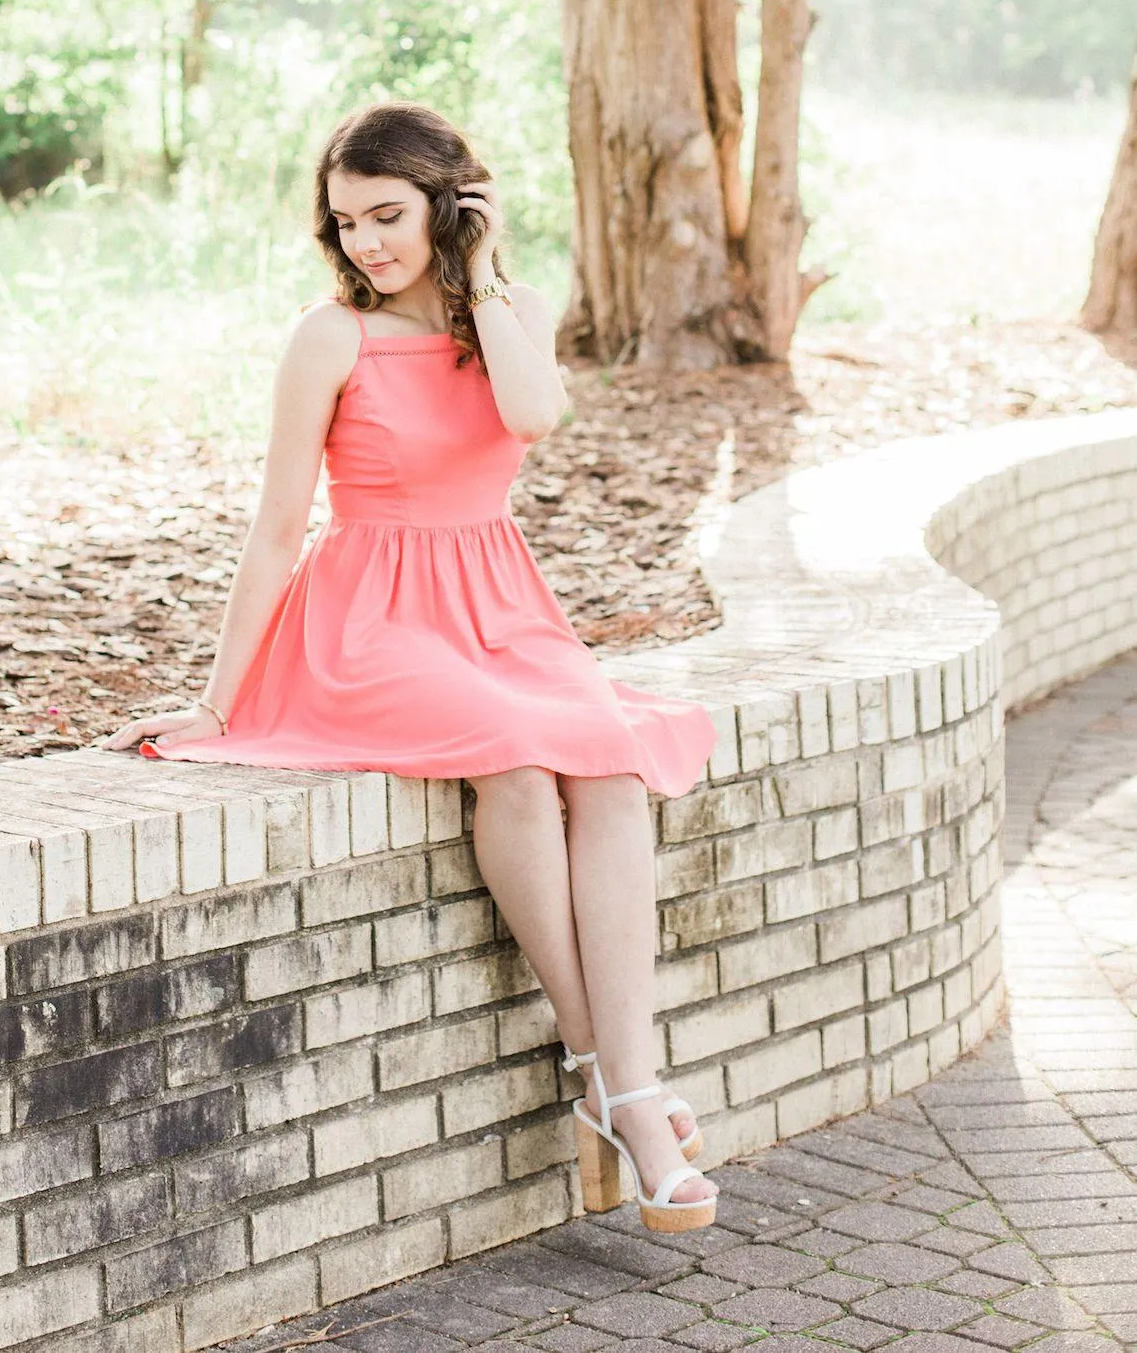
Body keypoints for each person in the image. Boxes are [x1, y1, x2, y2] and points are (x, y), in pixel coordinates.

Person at [106, 102, 719, 1231]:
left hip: (499, 603)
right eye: (345, 224)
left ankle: (610, 1078)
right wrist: (215, 696)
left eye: (389, 215)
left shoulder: (514, 313)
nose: (367, 245)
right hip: (369, 619)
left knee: (609, 767)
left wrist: (478, 272)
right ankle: (629, 1094)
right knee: (520, 768)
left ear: (450, 202)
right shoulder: (327, 336)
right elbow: (279, 525)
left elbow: (533, 414)